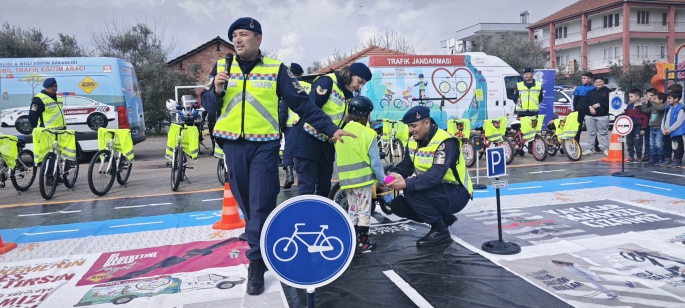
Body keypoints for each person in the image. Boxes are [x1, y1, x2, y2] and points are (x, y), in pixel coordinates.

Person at [200, 17, 354, 296]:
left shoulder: (276, 70)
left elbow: (304, 104)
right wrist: (217, 90)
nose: (237, 39)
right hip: (233, 147)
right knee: (248, 205)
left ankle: (257, 263)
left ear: (258, 39)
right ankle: (262, 241)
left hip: (264, 147)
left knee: (261, 203)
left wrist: (331, 129)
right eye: (234, 35)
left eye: (243, 34)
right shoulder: (223, 67)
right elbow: (209, 106)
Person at [387, 106, 473, 247]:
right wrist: (393, 175)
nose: (410, 130)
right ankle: (444, 219)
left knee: (410, 190)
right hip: (436, 190)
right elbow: (407, 166)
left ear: (427, 123)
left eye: (414, 126)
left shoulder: (445, 142)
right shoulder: (413, 141)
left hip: (457, 192)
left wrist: (406, 183)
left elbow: (435, 175)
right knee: (398, 206)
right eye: (409, 126)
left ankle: (440, 231)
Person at [290, 62, 372, 197]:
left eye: (363, 84)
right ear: (350, 74)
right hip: (308, 142)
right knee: (307, 189)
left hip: (327, 145)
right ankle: (306, 218)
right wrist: (330, 130)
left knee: (324, 188)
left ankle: (321, 218)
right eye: (359, 81)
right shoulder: (327, 82)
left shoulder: (348, 96)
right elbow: (310, 111)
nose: (360, 86)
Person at [334, 96, 385, 253]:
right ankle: (363, 242)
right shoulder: (368, 133)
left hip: (346, 182)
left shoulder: (340, 132)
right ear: (366, 115)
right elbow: (375, 162)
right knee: (364, 211)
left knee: (353, 210)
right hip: (363, 182)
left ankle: (351, 240)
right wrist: (382, 179)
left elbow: (337, 159)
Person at [278, 62, 307, 189]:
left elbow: (283, 110)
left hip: (291, 126)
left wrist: (281, 125)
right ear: (301, 74)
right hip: (308, 125)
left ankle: (289, 175)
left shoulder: (289, 86)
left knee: (288, 151)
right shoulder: (309, 86)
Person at [514, 67, 542, 153]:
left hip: (533, 111)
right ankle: (519, 148)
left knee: (533, 131)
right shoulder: (519, 85)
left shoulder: (538, 85)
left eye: (528, 74)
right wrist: (520, 106)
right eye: (525, 74)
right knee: (520, 131)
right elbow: (515, 98)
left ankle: (531, 147)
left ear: (532, 74)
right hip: (522, 112)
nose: (526, 76)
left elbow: (540, 98)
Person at [581, 77, 610, 156]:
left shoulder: (608, 91)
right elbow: (584, 102)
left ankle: (606, 149)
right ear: (594, 84)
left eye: (600, 81)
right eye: (597, 82)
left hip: (603, 116)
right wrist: (590, 107)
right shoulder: (590, 92)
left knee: (603, 133)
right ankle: (590, 149)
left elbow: (610, 103)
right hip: (590, 116)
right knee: (591, 133)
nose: (598, 83)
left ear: (603, 82)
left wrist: (599, 105)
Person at [661, 83, 684, 166]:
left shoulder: (680, 108)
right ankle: (667, 159)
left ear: (676, 99)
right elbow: (664, 119)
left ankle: (677, 160)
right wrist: (663, 129)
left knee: (676, 147)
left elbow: (679, 122)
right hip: (666, 132)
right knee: (667, 146)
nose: (668, 100)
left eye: (669, 98)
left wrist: (670, 130)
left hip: (675, 133)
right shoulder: (668, 108)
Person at [624, 89, 649, 163]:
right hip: (629, 127)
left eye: (631, 96)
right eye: (629, 96)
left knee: (638, 142)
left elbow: (645, 118)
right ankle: (631, 156)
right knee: (629, 142)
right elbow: (626, 116)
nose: (630, 98)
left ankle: (638, 156)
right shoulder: (629, 107)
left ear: (637, 97)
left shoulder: (642, 107)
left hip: (638, 127)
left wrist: (643, 128)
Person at [642, 91, 666, 165]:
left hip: (659, 128)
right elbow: (645, 110)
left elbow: (658, 108)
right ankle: (653, 158)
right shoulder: (654, 106)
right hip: (652, 128)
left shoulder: (663, 106)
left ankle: (661, 158)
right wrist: (643, 103)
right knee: (652, 144)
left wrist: (653, 102)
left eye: (655, 99)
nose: (653, 100)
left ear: (661, 100)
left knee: (658, 144)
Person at [572, 72, 595, 147]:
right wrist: (574, 110)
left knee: (591, 129)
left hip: (589, 110)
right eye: (582, 78)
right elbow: (574, 100)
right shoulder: (578, 88)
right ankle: (576, 144)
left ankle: (596, 146)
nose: (582, 80)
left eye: (584, 78)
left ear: (590, 79)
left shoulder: (594, 88)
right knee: (578, 128)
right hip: (579, 111)